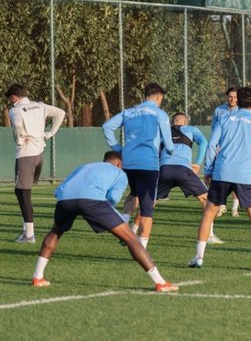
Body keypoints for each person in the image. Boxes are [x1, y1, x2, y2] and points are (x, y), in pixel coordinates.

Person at [32, 151, 178, 292]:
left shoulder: (83, 166)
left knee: (55, 232)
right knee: (131, 239)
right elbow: (113, 198)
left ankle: (38, 277)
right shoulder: (120, 173)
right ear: (120, 164)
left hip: (64, 199)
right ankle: (160, 282)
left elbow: (59, 190)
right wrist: (107, 213)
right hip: (93, 201)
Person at [189, 87, 251, 270]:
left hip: (222, 172)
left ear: (238, 101)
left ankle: (198, 257)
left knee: (209, 214)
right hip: (246, 175)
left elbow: (213, 145)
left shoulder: (224, 119)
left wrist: (209, 169)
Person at [102, 83, 173, 249]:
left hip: (129, 161)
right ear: (158, 97)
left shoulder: (129, 112)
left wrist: (118, 148)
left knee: (134, 193)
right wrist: (170, 151)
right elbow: (168, 143)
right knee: (148, 206)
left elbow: (107, 127)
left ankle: (125, 225)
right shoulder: (159, 114)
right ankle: (141, 248)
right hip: (148, 163)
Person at [149, 112, 223, 244]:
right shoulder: (191, 129)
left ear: (172, 123)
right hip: (183, 170)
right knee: (207, 200)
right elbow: (204, 143)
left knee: (149, 202)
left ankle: (134, 230)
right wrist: (197, 163)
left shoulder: (162, 132)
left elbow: (153, 148)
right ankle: (210, 235)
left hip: (164, 169)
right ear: (185, 122)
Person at [5, 83, 65, 243]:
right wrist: (50, 133)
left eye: (10, 99)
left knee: (23, 193)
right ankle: (26, 230)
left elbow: (17, 125)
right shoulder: (40, 106)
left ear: (14, 97)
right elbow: (61, 112)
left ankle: (29, 235)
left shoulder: (15, 110)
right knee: (21, 192)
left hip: (26, 153)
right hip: (39, 153)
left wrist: (18, 139)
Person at [211, 86, 240, 217]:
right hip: (221, 149)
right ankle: (222, 205)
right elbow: (214, 128)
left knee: (236, 178)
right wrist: (216, 145)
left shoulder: (241, 111)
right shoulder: (219, 110)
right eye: (230, 96)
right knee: (221, 176)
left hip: (237, 149)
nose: (232, 99)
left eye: (235, 97)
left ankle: (235, 208)